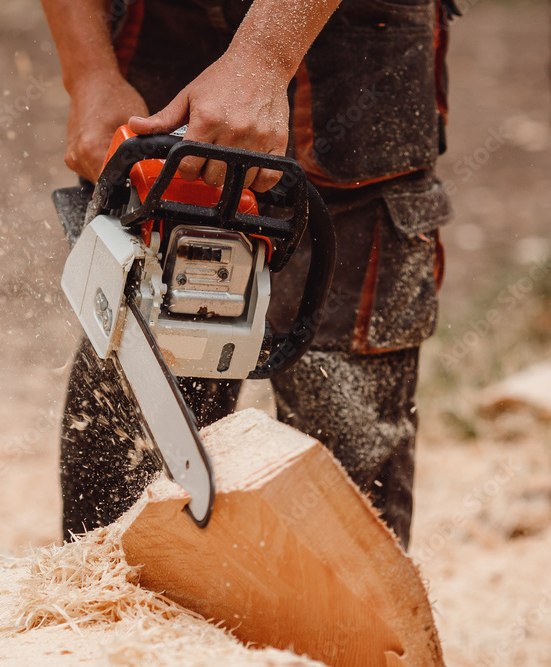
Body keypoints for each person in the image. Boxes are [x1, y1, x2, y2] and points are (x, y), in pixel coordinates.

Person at [42, 0, 458, 549]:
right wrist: (89, 69)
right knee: (132, 379)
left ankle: (339, 627)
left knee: (341, 422)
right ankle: (112, 617)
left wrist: (264, 56)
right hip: (159, 21)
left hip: (344, 29)